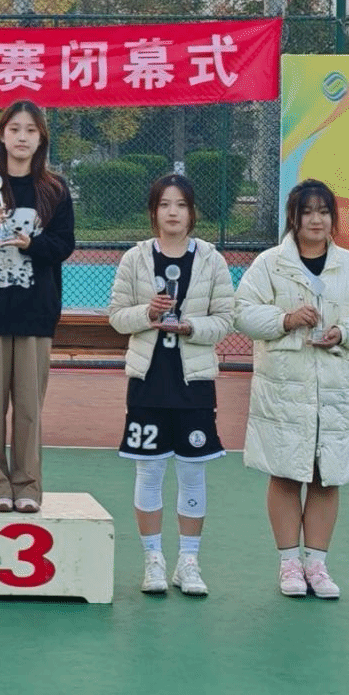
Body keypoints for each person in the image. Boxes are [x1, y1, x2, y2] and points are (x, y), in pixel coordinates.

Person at [107, 175, 234, 596]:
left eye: (181, 204)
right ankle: (153, 561)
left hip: (194, 383)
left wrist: (190, 326)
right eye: (164, 204)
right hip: (148, 382)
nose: (173, 212)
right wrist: (148, 313)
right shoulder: (135, 259)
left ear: (192, 212)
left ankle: (189, 563)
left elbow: (225, 320)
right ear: (154, 212)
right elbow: (116, 316)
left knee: (193, 472)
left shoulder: (212, 260)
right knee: (149, 470)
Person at [0, 99, 75, 513]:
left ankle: (27, 487)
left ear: (41, 139)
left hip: (35, 312)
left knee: (28, 407)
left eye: (30, 130)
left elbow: (63, 246)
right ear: (2, 136)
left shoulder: (55, 190)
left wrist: (32, 243)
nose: (22, 137)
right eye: (15, 129)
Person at [235, 179, 349, 599]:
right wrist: (285, 320)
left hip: (334, 392)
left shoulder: (348, 265)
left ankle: (317, 565)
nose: (316, 219)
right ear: (293, 217)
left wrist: (342, 332)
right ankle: (289, 564)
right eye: (307, 211)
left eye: (323, 211)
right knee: (285, 473)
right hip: (284, 390)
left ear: (333, 218)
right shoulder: (269, 264)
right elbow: (242, 313)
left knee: (326, 476)